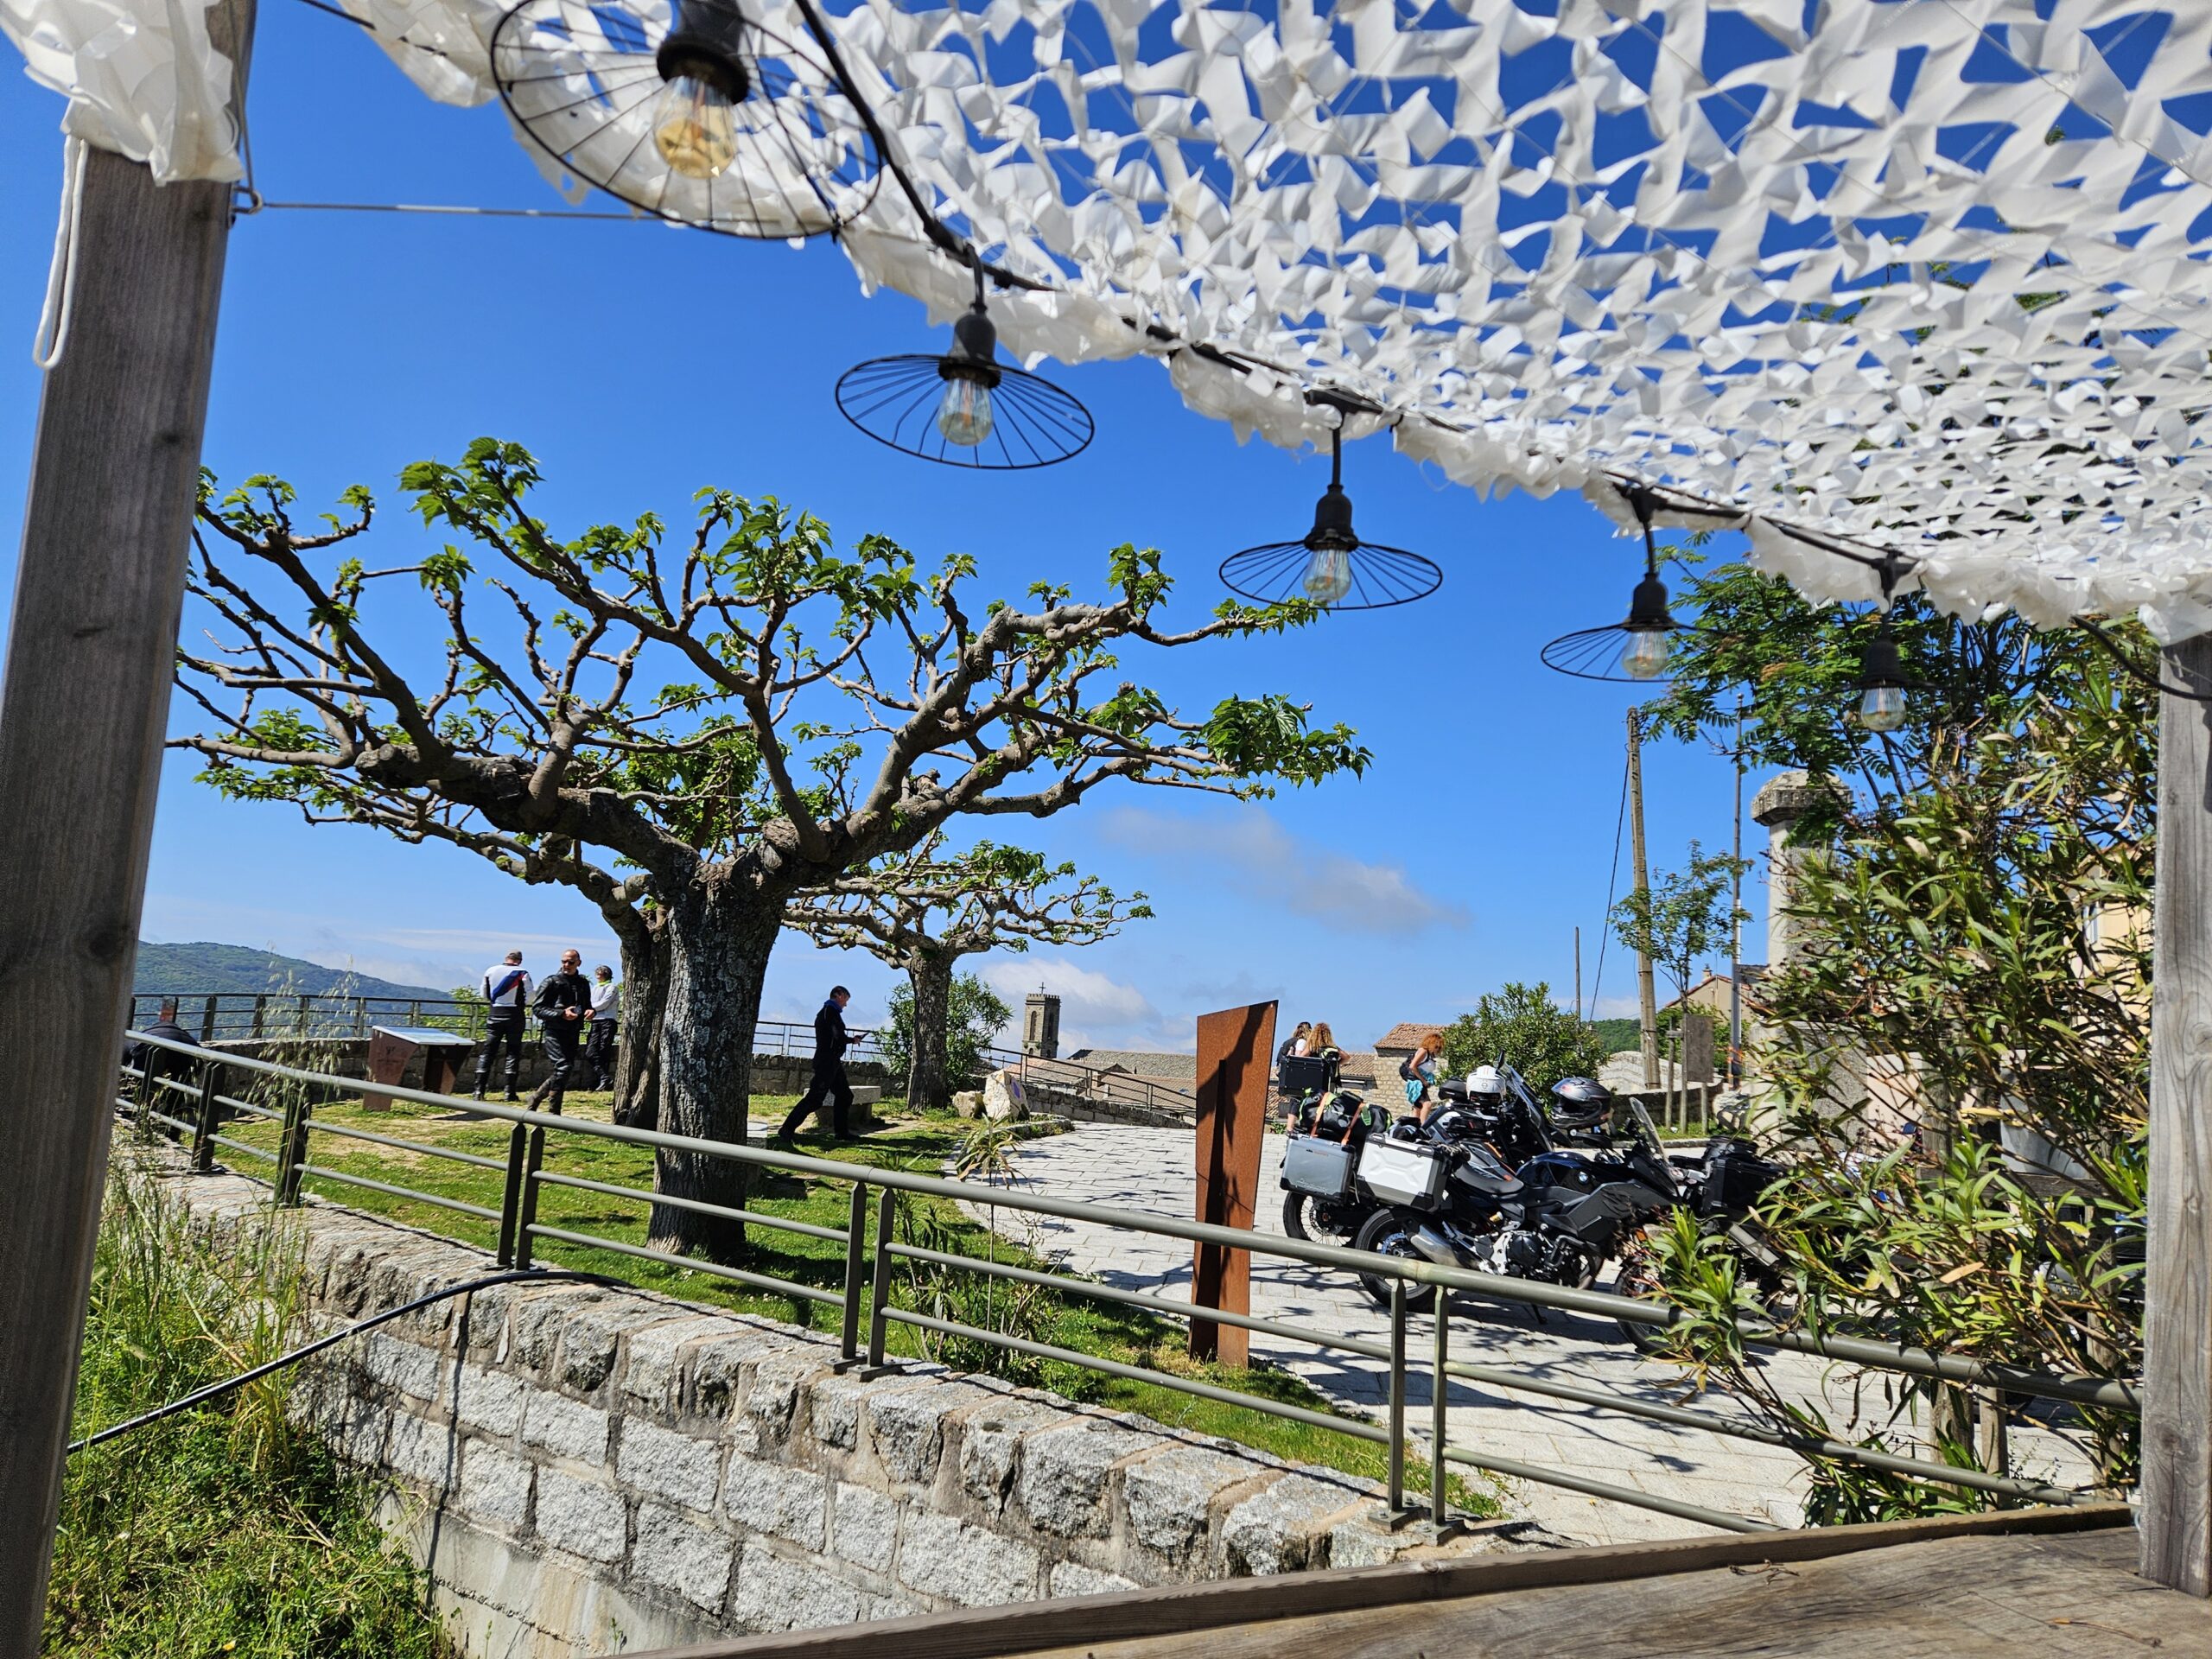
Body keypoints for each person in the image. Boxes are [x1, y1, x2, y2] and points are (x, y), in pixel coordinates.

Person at [775, 986, 855, 1142]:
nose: (846, 1004)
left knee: (845, 1096)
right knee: (815, 1099)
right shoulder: (828, 1012)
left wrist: (850, 1040)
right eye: (845, 999)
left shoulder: (831, 1013)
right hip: (826, 1061)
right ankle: (787, 1129)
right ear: (838, 995)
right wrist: (852, 1040)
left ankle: (842, 1133)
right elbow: (837, 1036)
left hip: (833, 1061)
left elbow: (837, 1036)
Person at [528, 949, 592, 1113]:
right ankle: (554, 1109)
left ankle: (536, 1098)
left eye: (571, 962)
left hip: (573, 1031)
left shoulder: (583, 983)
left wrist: (590, 1011)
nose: (566, 965)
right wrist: (561, 1013)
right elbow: (538, 1009)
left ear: (579, 963)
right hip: (554, 1031)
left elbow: (587, 1006)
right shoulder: (551, 982)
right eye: (564, 961)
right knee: (563, 1066)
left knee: (565, 1068)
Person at [474, 950, 531, 1102]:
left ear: (506, 958)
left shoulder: (490, 971)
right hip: (515, 1015)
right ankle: (509, 1093)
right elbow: (531, 995)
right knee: (513, 1052)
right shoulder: (522, 972)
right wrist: (522, 1004)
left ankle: (479, 1091)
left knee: (488, 1052)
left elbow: (484, 994)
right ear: (520, 960)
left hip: (495, 1013)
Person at [585, 964, 620, 1090]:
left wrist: (590, 1009)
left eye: (601, 973)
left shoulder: (612, 987)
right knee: (591, 1052)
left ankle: (600, 1082)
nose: (598, 975)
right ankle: (603, 1077)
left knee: (603, 1051)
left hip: (607, 1021)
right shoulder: (594, 988)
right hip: (595, 1021)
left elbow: (605, 1003)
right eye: (598, 973)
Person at [1402, 1030, 1445, 1119]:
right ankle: (1423, 1125)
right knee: (1427, 1104)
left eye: (1439, 1047)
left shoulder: (1430, 1055)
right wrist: (1424, 1080)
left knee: (1418, 1108)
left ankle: (1415, 1125)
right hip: (1417, 1083)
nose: (1437, 1049)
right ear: (1430, 1043)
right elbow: (1412, 1066)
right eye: (1436, 1046)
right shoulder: (1424, 1051)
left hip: (1421, 1083)